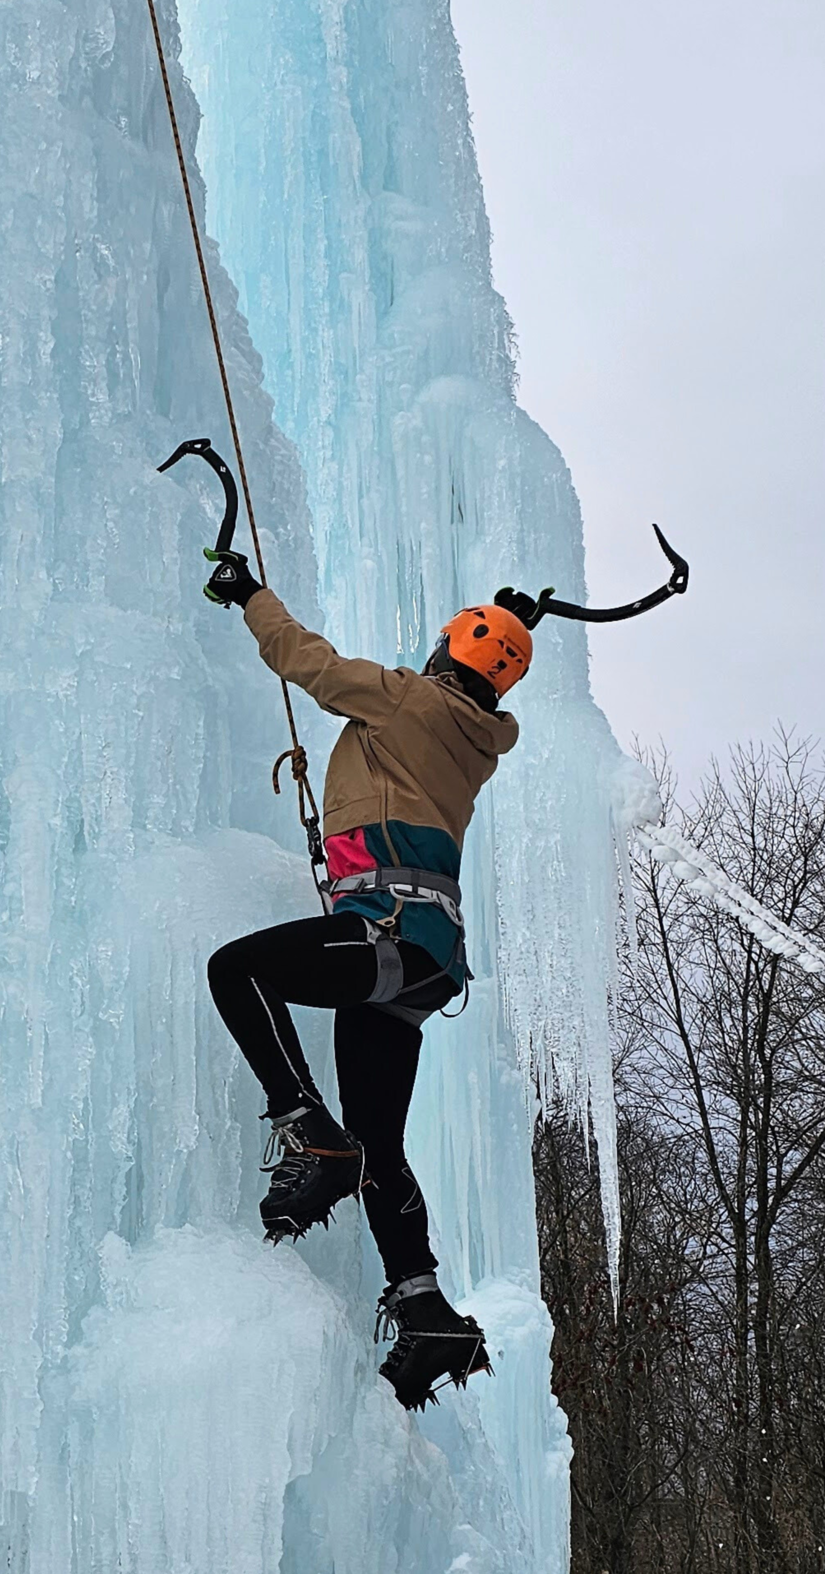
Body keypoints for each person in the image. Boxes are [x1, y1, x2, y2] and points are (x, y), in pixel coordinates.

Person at [201, 552, 531, 1408]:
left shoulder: (410, 698)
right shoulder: (475, 740)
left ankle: (308, 1130)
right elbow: (469, 684)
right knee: (381, 1145)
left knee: (238, 970)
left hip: (383, 930)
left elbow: (308, 663)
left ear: (445, 651)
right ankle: (425, 1310)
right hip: (422, 964)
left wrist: (250, 597)